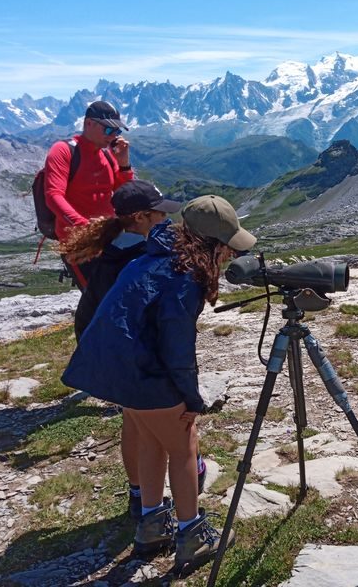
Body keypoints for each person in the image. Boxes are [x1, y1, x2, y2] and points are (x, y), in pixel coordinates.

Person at [61, 194, 256, 574]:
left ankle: (151, 525)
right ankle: (192, 534)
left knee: (150, 440)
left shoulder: (153, 258)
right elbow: (176, 346)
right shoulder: (185, 279)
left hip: (116, 372)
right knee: (184, 446)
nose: (232, 255)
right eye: (229, 247)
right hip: (146, 371)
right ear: (212, 244)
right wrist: (190, 398)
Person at [60, 179, 211, 519]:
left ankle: (140, 495)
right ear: (142, 217)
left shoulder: (107, 243)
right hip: (127, 348)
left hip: (98, 339)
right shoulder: (137, 255)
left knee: (135, 419)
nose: (166, 221)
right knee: (147, 426)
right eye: (160, 214)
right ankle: (174, 509)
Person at [44, 100, 134, 288]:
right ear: (88, 124)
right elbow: (53, 195)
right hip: (78, 240)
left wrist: (124, 164)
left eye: (117, 131)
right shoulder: (63, 150)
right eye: (108, 130)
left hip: (109, 236)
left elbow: (124, 194)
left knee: (118, 291)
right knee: (95, 295)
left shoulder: (108, 155)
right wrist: (84, 227)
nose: (113, 136)